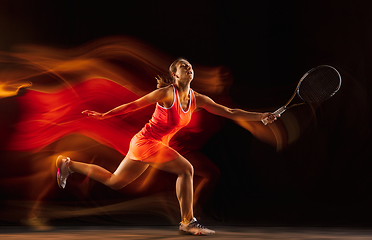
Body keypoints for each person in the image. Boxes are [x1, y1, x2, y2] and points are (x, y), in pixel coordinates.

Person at [56, 58, 277, 235]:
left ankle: (69, 165)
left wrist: (261, 117)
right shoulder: (166, 93)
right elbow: (135, 104)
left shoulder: (196, 98)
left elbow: (229, 112)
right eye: (183, 67)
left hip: (151, 143)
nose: (189, 69)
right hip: (146, 141)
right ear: (174, 74)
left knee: (115, 182)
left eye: (190, 66)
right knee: (187, 169)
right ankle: (187, 221)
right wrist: (105, 115)